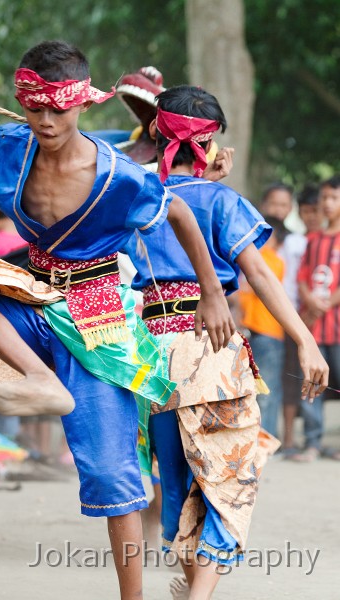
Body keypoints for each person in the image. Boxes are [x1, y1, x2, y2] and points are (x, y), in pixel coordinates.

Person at [0, 23, 234, 600]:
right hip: (33, 297)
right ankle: (39, 378)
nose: (45, 123)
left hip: (97, 311)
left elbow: (181, 215)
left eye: (57, 111)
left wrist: (211, 292)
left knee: (115, 477)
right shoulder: (10, 147)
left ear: (82, 102)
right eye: (34, 109)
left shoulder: (118, 174)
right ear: (22, 103)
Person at [124, 85, 328, 600]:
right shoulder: (220, 200)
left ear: (156, 134)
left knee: (176, 483)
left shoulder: (139, 201)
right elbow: (258, 273)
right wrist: (305, 340)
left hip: (151, 354)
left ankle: (193, 587)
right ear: (211, 145)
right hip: (208, 350)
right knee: (227, 482)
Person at [294, 175, 340, 462]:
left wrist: (326, 303)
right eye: (324, 197)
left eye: (334, 198)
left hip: (337, 326)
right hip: (314, 327)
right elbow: (301, 278)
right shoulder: (313, 241)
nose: (327, 203)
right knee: (312, 381)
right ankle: (312, 442)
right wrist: (311, 300)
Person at [238, 216, 290, 438]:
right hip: (257, 331)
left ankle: (264, 439)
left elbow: (249, 287)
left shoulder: (271, 260)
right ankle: (259, 438)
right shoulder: (261, 259)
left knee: (266, 390)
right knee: (258, 388)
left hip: (267, 332)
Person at [281, 184, 323, 454]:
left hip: (326, 320)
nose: (311, 216)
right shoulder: (295, 242)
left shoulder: (331, 242)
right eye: (306, 211)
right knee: (295, 378)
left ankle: (315, 438)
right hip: (296, 318)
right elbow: (289, 282)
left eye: (315, 211)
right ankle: (289, 438)